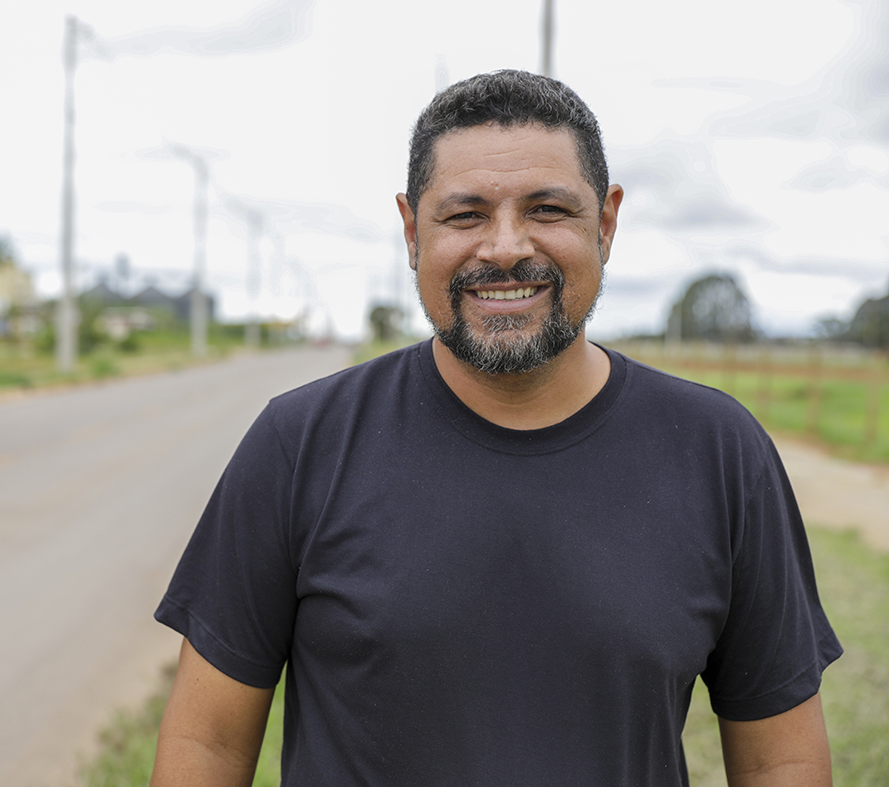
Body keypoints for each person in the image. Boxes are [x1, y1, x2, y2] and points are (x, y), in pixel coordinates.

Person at [149, 70, 842, 786]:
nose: (505, 247)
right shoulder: (299, 443)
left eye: (546, 208)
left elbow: (780, 758)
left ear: (604, 223)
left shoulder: (717, 451)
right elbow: (206, 743)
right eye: (465, 214)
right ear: (410, 230)